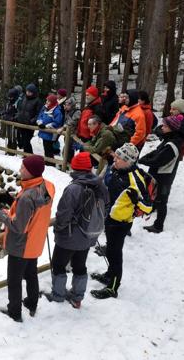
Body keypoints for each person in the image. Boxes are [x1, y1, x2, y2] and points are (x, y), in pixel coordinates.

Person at [43, 152, 108, 308]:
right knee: (80, 265)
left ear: (75, 168)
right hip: (88, 235)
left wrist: (58, 230)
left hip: (70, 235)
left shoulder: (73, 188)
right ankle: (77, 297)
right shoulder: (100, 185)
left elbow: (64, 214)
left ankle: (58, 295)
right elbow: (105, 208)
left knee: (58, 265)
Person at [0, 155, 55, 322]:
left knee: (14, 280)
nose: (20, 170)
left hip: (21, 245)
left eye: (24, 168)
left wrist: (0, 213)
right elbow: (32, 212)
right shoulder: (48, 187)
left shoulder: (27, 196)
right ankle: (31, 302)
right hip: (36, 241)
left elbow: (18, 226)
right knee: (31, 274)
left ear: (31, 172)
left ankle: (14, 312)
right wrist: (12, 200)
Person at [90, 143, 151, 299]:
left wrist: (136, 198)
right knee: (110, 249)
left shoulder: (135, 178)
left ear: (128, 161)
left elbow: (148, 206)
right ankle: (110, 275)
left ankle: (113, 287)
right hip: (109, 218)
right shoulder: (115, 168)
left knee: (115, 254)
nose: (114, 158)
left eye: (119, 157)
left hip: (121, 223)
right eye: (116, 155)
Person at [139, 116, 183, 233]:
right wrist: (146, 156)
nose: (162, 127)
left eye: (165, 126)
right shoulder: (168, 139)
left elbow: (158, 161)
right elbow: (157, 151)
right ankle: (152, 209)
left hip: (164, 177)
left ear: (172, 128)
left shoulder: (172, 144)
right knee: (156, 197)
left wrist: (143, 161)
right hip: (160, 174)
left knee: (161, 201)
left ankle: (158, 226)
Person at [15, 83, 43, 154]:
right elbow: (20, 109)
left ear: (33, 92)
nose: (28, 93)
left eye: (30, 92)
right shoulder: (24, 98)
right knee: (23, 141)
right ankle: (26, 155)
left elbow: (39, 113)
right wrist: (18, 117)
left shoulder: (37, 101)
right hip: (21, 122)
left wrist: (32, 121)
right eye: (27, 91)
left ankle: (29, 156)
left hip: (29, 125)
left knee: (26, 141)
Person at [36, 94, 64, 164]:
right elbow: (40, 115)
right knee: (46, 147)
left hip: (50, 133)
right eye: (47, 100)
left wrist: (47, 126)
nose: (47, 102)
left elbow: (57, 122)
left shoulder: (57, 111)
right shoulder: (45, 108)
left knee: (49, 148)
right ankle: (48, 161)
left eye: (48, 101)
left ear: (52, 102)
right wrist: (40, 123)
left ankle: (51, 162)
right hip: (44, 132)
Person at [0, 87, 20, 152]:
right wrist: (2, 114)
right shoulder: (8, 103)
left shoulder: (18, 103)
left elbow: (19, 113)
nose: (10, 98)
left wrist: (13, 118)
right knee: (9, 136)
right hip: (8, 121)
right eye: (9, 97)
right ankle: (9, 150)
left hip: (14, 123)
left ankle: (13, 151)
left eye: (11, 97)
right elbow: (6, 111)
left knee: (13, 137)